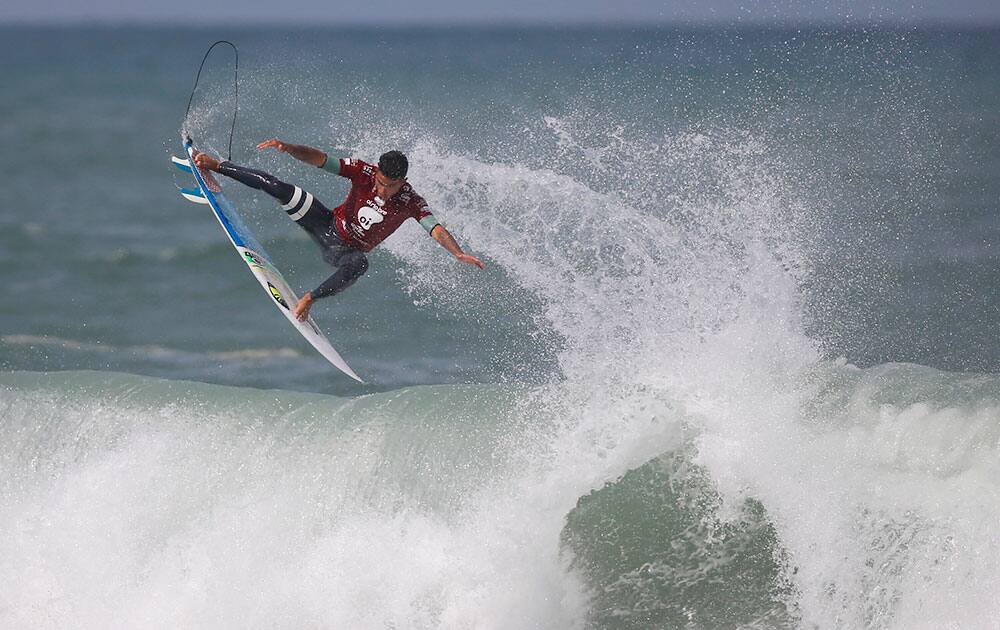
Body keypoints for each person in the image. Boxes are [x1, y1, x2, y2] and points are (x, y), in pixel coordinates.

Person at [193, 139, 484, 321]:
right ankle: (217, 165)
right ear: (377, 171)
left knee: (360, 264)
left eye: (391, 186)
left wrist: (457, 253)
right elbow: (320, 159)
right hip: (325, 223)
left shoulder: (410, 201)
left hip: (343, 251)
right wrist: (289, 148)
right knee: (279, 187)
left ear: (403, 181)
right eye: (381, 182)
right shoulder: (364, 172)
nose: (382, 190)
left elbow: (433, 227)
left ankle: (310, 299)